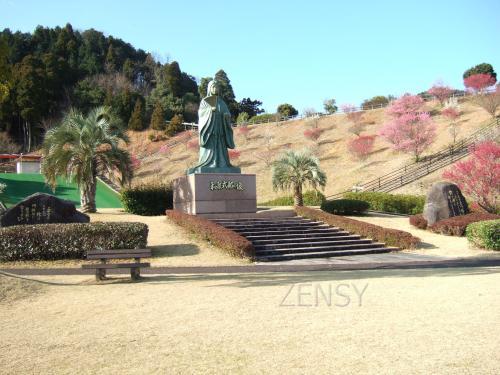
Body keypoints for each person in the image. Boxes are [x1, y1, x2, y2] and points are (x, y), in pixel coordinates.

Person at [187, 80, 240, 174]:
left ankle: (222, 164)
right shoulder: (205, 101)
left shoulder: (221, 102)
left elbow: (227, 113)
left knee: (221, 147)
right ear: (209, 88)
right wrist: (210, 111)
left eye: (217, 87)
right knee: (209, 148)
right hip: (209, 130)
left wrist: (226, 116)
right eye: (213, 87)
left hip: (220, 129)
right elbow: (201, 114)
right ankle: (208, 163)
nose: (215, 89)